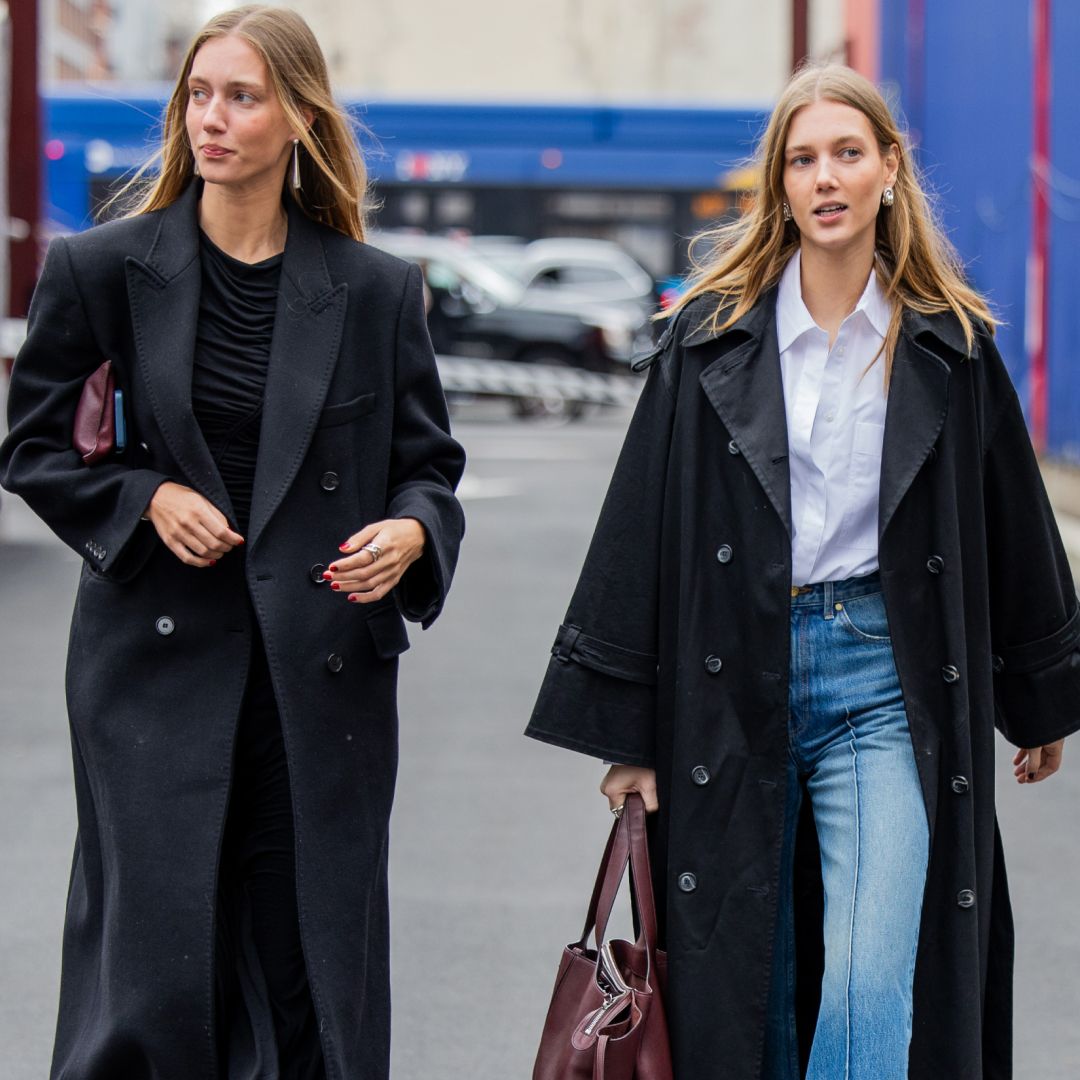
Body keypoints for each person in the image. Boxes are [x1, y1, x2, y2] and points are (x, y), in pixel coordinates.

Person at [526, 62, 1079, 1079]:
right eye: (802, 159)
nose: (825, 177)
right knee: (747, 983)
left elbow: (1010, 518)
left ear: (889, 171)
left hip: (884, 679)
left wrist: (1041, 699)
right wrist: (628, 731)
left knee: (872, 981)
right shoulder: (710, 339)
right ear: (780, 184)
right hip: (733, 677)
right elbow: (641, 529)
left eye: (847, 154)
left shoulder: (949, 345)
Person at [0, 6, 465, 1078]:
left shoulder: (373, 289)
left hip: (319, 676)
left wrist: (410, 530)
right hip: (153, 675)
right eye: (198, 95)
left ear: (298, 117)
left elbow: (428, 467)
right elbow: (33, 447)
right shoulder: (102, 269)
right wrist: (145, 499)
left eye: (241, 96)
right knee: (159, 971)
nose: (212, 118)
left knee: (304, 960)